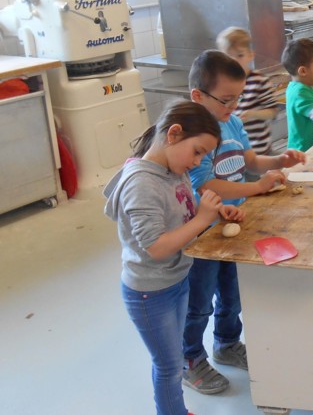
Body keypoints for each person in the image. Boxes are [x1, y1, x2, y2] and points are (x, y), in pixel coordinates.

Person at [104, 100, 244, 415]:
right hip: (149, 292)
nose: (197, 163)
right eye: (196, 152)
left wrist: (216, 212)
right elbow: (156, 246)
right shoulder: (141, 183)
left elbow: (182, 211)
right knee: (168, 366)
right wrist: (199, 221)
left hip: (176, 278)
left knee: (173, 357)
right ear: (174, 134)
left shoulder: (171, 168)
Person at [184, 50, 307, 395]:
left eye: (237, 98)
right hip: (205, 230)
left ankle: (226, 342)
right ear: (198, 96)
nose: (233, 106)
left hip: (238, 219)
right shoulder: (194, 135)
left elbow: (249, 159)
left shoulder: (232, 122)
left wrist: (277, 160)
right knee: (199, 300)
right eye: (226, 99)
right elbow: (206, 184)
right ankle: (190, 357)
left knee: (233, 292)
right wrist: (255, 187)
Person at [216, 26, 279, 155]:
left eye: (240, 55)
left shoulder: (259, 81)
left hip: (258, 150)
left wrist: (253, 114)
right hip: (234, 151)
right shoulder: (222, 84)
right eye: (229, 56)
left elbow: (273, 112)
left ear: (250, 55)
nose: (234, 60)